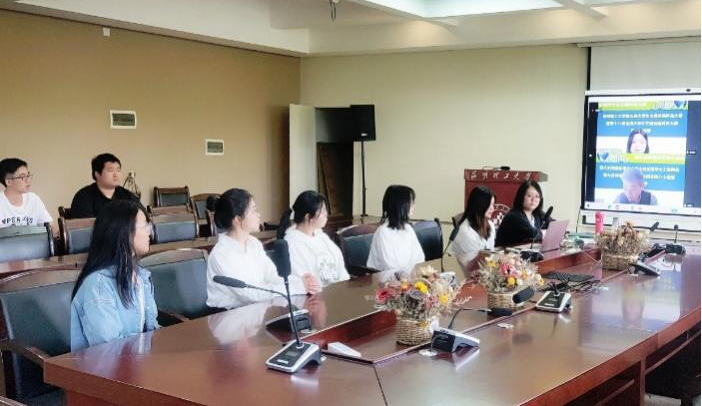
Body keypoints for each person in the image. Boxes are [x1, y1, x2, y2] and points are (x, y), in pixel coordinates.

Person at [206, 188, 320, 310]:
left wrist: (298, 282)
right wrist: (297, 288)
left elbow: (272, 276)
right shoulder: (221, 254)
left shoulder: (254, 243)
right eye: (254, 211)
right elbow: (249, 295)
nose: (259, 215)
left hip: (257, 309)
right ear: (238, 220)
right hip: (228, 315)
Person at [70, 200, 158, 351]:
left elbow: (151, 329)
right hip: (106, 364)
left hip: (138, 361)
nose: (150, 232)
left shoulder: (141, 276)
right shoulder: (98, 285)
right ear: (124, 232)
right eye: (145, 226)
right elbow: (109, 348)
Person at [278, 191, 350, 287]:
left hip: (337, 290)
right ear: (308, 217)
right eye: (322, 211)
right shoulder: (292, 244)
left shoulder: (321, 236)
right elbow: (303, 281)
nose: (326, 215)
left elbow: (340, 268)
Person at [367, 185, 425, 275]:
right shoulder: (383, 232)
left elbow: (420, 258)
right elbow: (391, 267)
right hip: (384, 281)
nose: (413, 206)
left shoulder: (408, 229)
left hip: (407, 279)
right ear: (400, 205)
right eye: (410, 202)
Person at [70, 153, 140, 218]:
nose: (116, 175)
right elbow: (84, 226)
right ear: (97, 174)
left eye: (118, 170)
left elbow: (144, 217)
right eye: (110, 170)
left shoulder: (127, 195)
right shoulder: (84, 196)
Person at [0, 158, 56, 236]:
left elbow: (51, 227)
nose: (28, 180)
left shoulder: (33, 199)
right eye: (22, 177)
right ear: (9, 181)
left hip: (34, 243)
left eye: (28, 175)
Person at [451, 186, 496, 271]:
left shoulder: (491, 225)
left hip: (483, 271)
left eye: (493, 204)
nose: (492, 209)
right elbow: (475, 265)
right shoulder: (466, 232)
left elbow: (489, 257)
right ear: (479, 205)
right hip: (465, 273)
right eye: (489, 205)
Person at [495, 180, 549, 247]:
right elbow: (533, 234)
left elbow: (554, 225)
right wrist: (548, 232)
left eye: (537, 196)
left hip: (525, 252)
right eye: (529, 196)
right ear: (521, 196)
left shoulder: (537, 214)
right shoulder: (514, 215)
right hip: (506, 252)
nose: (533, 200)